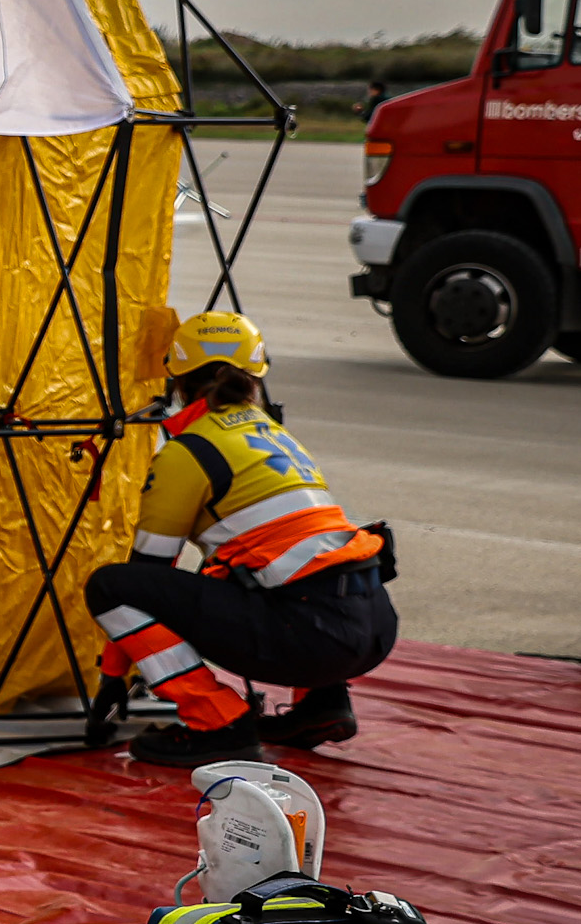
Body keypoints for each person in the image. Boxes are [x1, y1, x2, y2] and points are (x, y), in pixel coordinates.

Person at [90, 310, 401, 764]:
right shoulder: (277, 436)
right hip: (374, 627)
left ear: (176, 380)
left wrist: (112, 676)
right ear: (255, 378)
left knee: (109, 586)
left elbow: (147, 573)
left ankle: (217, 724)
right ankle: (323, 704)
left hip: (311, 638)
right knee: (278, 566)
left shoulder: (189, 451)